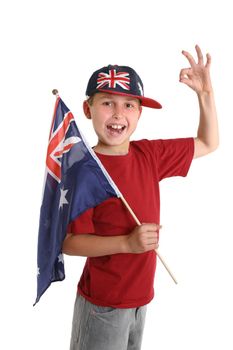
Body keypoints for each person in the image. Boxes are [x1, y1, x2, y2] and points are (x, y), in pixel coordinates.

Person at [62, 45, 219, 350]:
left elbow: (207, 142)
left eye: (129, 105)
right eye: (108, 103)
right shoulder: (84, 170)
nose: (119, 114)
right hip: (103, 305)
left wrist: (206, 95)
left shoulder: (149, 154)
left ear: (139, 112)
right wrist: (127, 243)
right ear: (88, 109)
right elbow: (70, 242)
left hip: (140, 298)